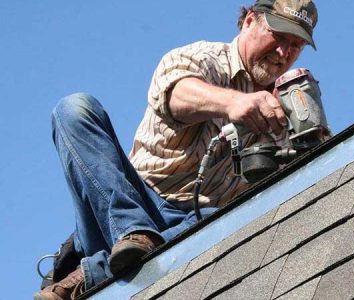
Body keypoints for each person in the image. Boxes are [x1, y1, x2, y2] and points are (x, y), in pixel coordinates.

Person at [35, 0, 319, 299]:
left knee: (224, 219)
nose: (283, 53)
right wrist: (234, 102)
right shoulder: (204, 58)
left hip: (194, 225)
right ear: (250, 20)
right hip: (125, 203)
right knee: (75, 109)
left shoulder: (284, 109)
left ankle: (94, 273)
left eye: (296, 45)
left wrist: (313, 137)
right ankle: (133, 233)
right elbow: (176, 95)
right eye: (280, 37)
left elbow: (297, 187)